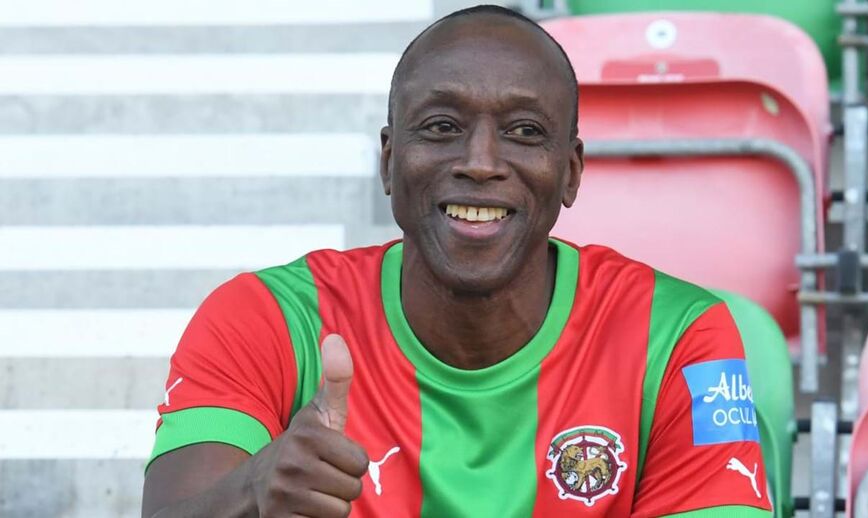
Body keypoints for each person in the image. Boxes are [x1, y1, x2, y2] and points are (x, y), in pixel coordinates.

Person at [142, 5, 772, 517]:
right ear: (389, 161)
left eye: (525, 131)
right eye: (442, 126)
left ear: (571, 172)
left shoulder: (679, 335)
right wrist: (253, 490)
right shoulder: (264, 318)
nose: (480, 162)